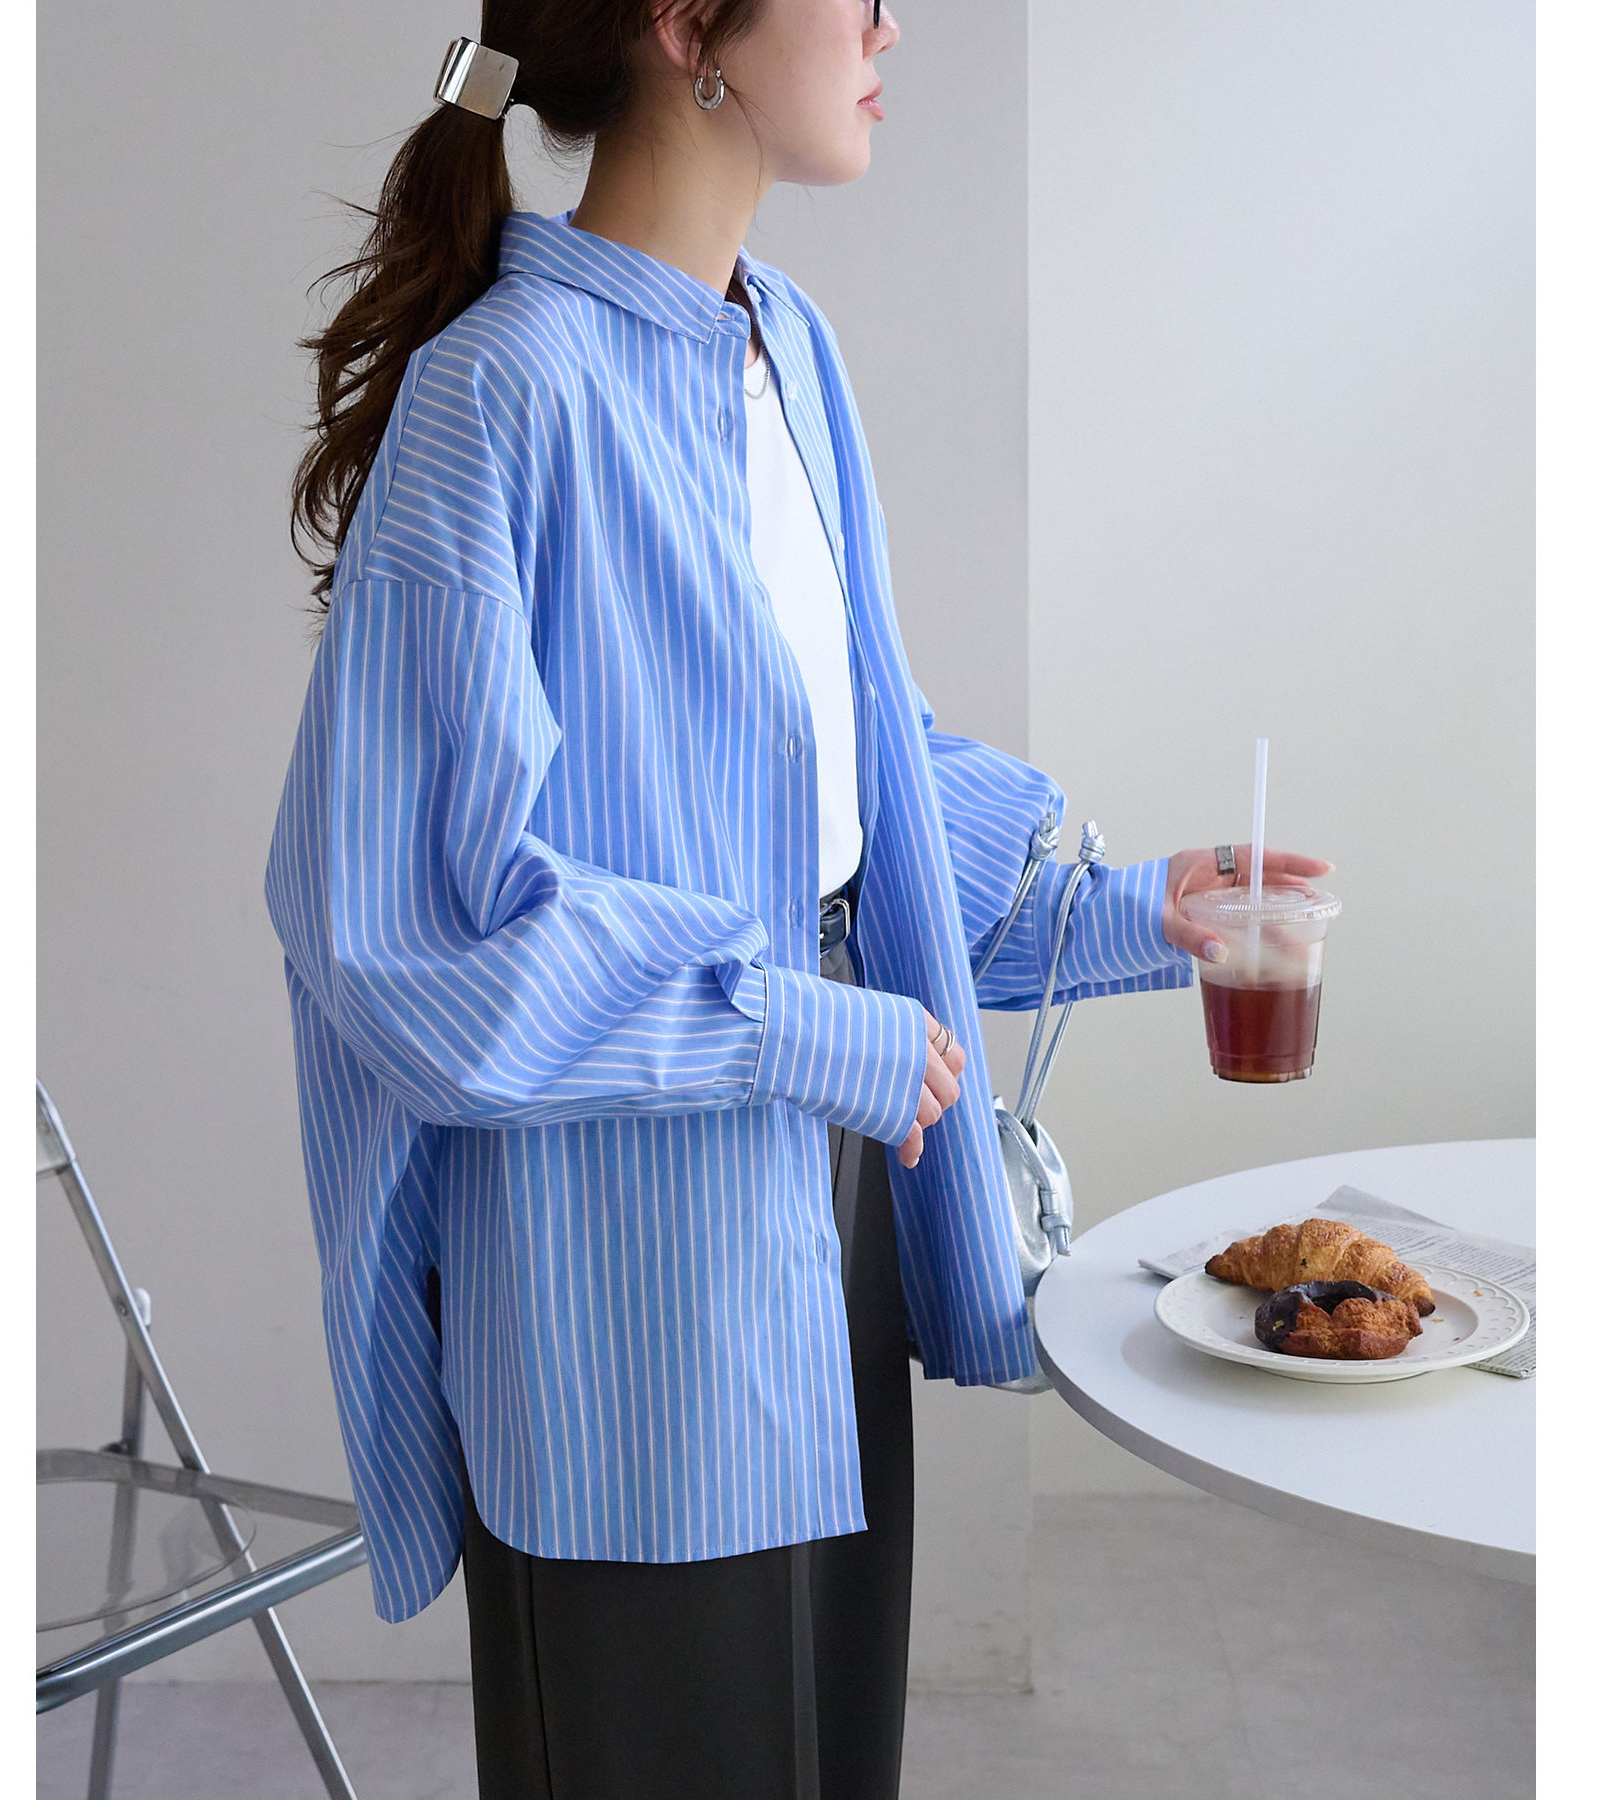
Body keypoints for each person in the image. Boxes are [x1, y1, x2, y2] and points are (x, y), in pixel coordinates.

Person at [268, 4, 1332, 1797]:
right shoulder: (503, 397)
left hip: (836, 1227)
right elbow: (404, 937)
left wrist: (1135, 909)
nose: (889, 21)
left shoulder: (789, 350)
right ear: (691, 25)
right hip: (626, 1293)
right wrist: (798, 1035)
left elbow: (846, 812)